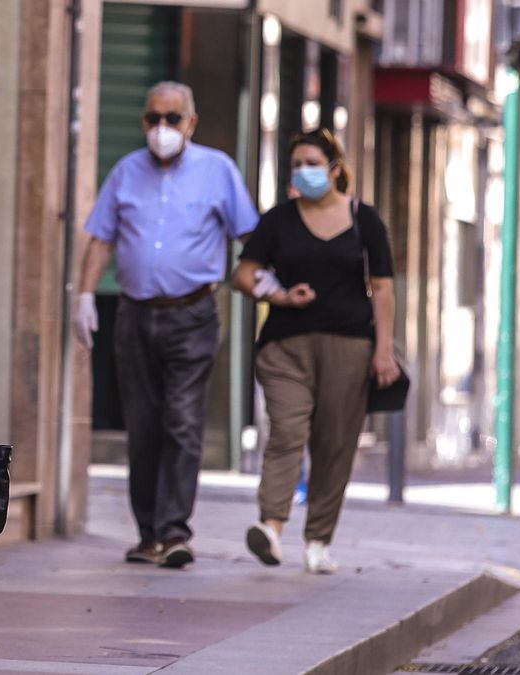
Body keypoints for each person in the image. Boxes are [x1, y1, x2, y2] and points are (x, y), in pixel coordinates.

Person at [73, 81, 259, 569]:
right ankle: (148, 534)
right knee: (144, 427)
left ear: (190, 123)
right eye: (153, 118)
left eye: (172, 119)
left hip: (193, 314)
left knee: (181, 420)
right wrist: (85, 295)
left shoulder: (218, 170)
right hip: (134, 315)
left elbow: (250, 234)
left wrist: (270, 283)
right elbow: (99, 239)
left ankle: (174, 531)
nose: (162, 129)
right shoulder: (126, 172)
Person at [233, 128, 399, 574]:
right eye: (296, 164)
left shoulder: (365, 219)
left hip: (350, 346)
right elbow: (244, 274)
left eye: (312, 162)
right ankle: (270, 527)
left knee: (334, 443)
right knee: (286, 431)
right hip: (285, 347)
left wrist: (383, 350)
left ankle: (318, 540)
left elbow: (382, 288)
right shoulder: (278, 220)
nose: (303, 171)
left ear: (334, 168)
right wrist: (281, 296)